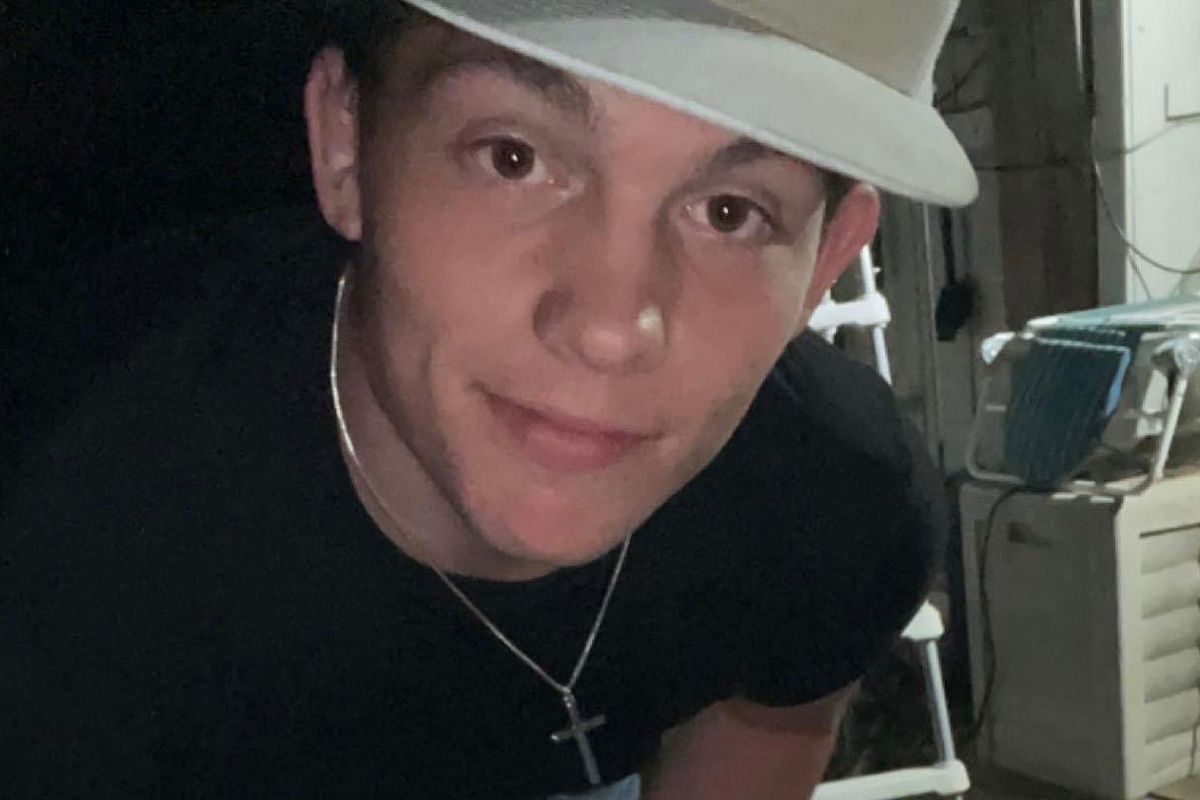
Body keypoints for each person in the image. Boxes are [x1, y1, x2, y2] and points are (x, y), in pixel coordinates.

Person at [0, 1, 976, 797]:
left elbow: (771, 724)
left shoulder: (836, 505)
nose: (610, 325)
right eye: (513, 157)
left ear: (827, 262)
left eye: (731, 213)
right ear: (345, 149)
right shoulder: (73, 538)